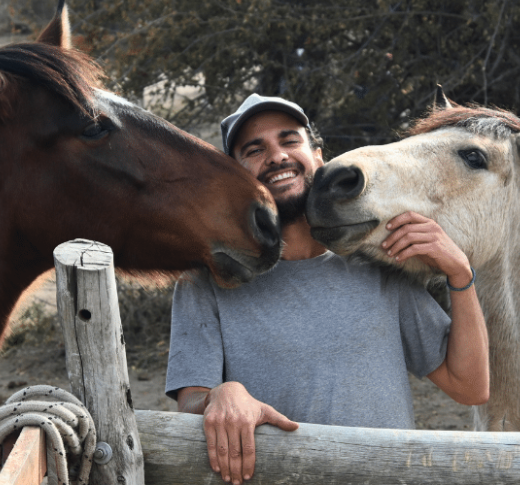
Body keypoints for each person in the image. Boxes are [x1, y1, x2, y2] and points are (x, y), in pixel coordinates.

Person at [165, 94, 489, 485]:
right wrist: (221, 394)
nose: (277, 156)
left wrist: (459, 273)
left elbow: (470, 386)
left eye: (289, 140)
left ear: (317, 156)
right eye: (255, 150)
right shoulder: (208, 280)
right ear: (234, 176)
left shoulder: (375, 262)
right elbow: (189, 409)